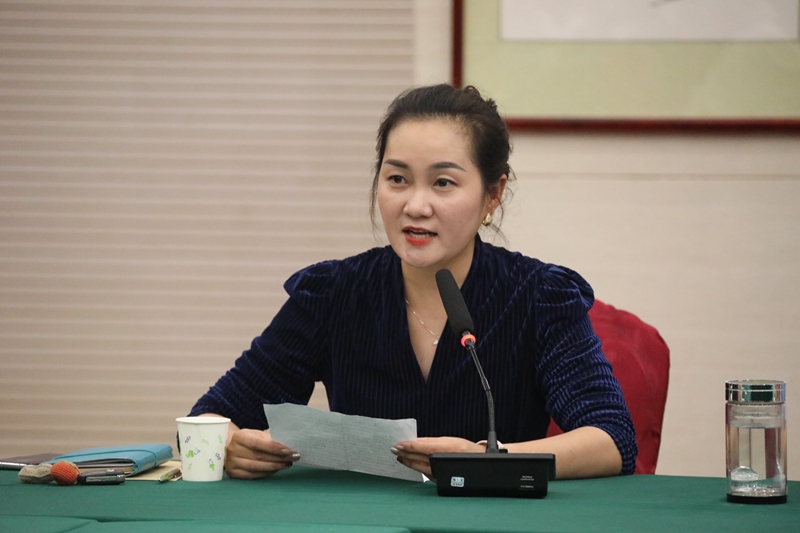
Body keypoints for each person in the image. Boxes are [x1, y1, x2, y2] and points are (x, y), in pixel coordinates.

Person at [189, 84, 637, 480]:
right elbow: (209, 417)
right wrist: (229, 446)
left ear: (492, 195)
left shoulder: (538, 295)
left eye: (443, 183)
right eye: (398, 179)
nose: (416, 206)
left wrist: (488, 460)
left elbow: (612, 439)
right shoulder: (333, 293)